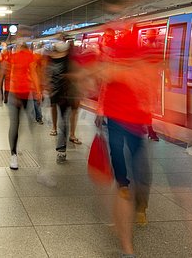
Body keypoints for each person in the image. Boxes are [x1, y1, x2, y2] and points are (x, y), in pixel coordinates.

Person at [95, 27, 155, 257]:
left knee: (140, 166)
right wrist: (101, 111)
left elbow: (146, 92)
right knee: (119, 159)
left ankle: (140, 205)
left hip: (135, 121)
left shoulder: (139, 66)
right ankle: (124, 199)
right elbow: (105, 86)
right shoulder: (114, 62)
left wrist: (149, 122)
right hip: (117, 118)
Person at [0, 42, 42, 170]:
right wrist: (38, 91)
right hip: (17, 94)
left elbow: (32, 73)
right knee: (22, 124)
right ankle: (15, 154)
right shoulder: (13, 57)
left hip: (20, 94)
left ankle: (14, 155)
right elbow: (33, 73)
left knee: (15, 125)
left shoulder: (24, 56)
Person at [47, 36, 82, 164]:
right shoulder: (51, 60)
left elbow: (78, 75)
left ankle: (62, 148)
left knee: (64, 121)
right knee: (63, 120)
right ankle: (61, 147)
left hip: (68, 93)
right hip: (57, 92)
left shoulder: (70, 61)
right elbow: (47, 74)